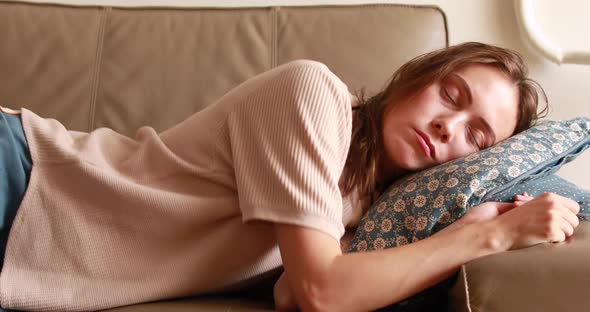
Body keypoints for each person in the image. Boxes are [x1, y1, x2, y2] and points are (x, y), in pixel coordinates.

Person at [0, 42, 580, 312]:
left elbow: (288, 297)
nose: (449, 127)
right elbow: (320, 290)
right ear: (415, 78)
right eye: (450, 95)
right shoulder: (311, 95)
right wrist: (487, 235)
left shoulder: (370, 207)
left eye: (478, 138)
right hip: (28, 177)